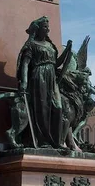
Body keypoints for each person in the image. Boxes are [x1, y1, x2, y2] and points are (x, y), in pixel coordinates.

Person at [14, 17, 71, 149]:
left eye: (48, 27)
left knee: (58, 106)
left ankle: (56, 141)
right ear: (38, 29)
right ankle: (43, 140)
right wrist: (24, 82)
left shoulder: (50, 46)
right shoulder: (31, 45)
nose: (48, 29)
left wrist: (67, 50)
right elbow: (25, 64)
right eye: (45, 27)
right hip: (39, 76)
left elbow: (56, 63)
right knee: (42, 108)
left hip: (52, 77)